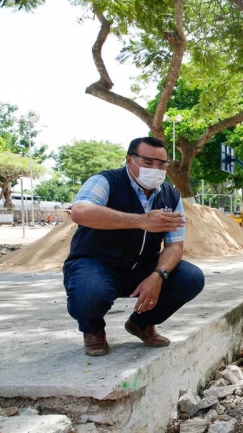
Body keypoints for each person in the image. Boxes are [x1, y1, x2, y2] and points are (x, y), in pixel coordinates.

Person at [63, 137, 205, 356]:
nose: (156, 169)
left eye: (162, 164)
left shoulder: (170, 195)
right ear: (130, 159)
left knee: (191, 277)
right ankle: (93, 330)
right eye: (148, 162)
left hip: (140, 266)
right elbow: (79, 212)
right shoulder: (106, 181)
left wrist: (158, 275)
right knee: (91, 292)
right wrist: (140, 220)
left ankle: (141, 323)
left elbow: (174, 245)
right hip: (96, 263)